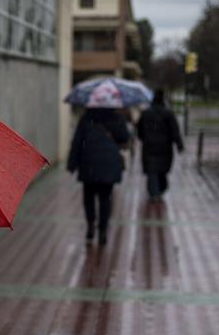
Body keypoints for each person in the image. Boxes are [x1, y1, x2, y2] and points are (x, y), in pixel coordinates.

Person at [66, 107, 130, 245]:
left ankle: (90, 225)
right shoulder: (116, 118)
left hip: (88, 161)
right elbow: (125, 137)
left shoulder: (86, 119)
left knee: (88, 196)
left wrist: (72, 163)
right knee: (105, 198)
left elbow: (77, 142)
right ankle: (102, 230)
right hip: (108, 163)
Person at [137, 89, 184, 200]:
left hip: (149, 146)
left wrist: (144, 138)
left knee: (152, 170)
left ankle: (154, 192)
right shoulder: (168, 114)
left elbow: (139, 130)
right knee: (161, 169)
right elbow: (174, 130)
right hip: (165, 147)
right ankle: (157, 191)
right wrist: (179, 144)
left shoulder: (146, 113)